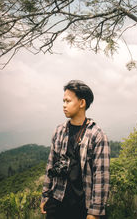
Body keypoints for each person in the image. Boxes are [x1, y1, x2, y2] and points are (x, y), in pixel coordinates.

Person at [40, 80, 110, 219]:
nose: (64, 105)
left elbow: (101, 176)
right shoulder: (59, 131)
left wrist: (94, 213)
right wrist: (45, 195)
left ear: (82, 103)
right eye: (63, 101)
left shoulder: (96, 135)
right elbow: (51, 164)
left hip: (82, 206)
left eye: (68, 101)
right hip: (57, 202)